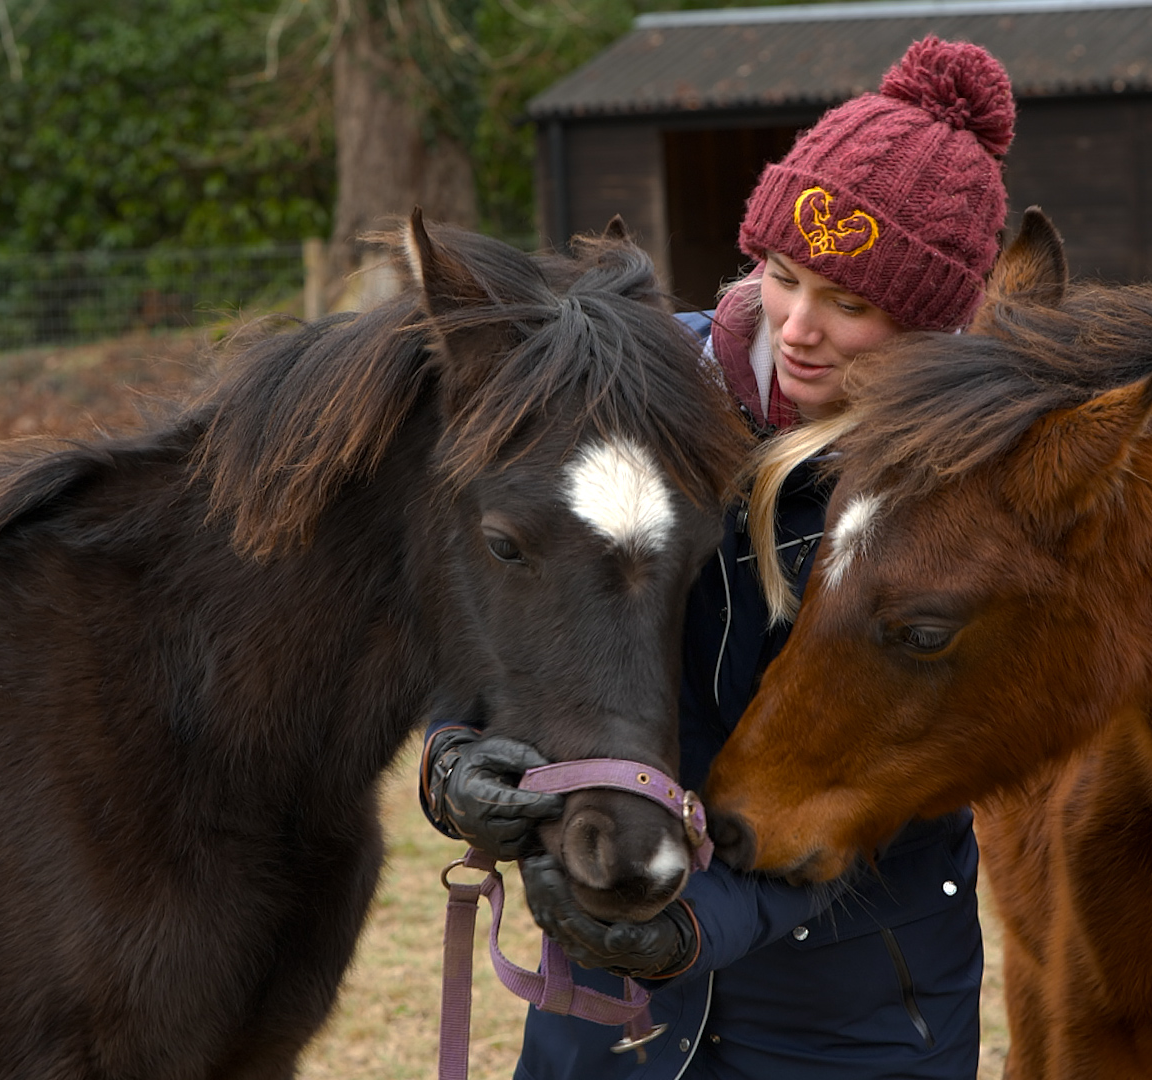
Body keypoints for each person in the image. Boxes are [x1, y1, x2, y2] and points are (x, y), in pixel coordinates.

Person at [420, 35, 1017, 1079]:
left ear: (932, 323)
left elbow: (889, 766)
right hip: (611, 975)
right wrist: (454, 753)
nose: (799, 327)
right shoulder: (637, 393)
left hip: (849, 1011)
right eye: (783, 276)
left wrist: (699, 922)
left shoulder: (970, 488)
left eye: (852, 304)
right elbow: (528, 585)